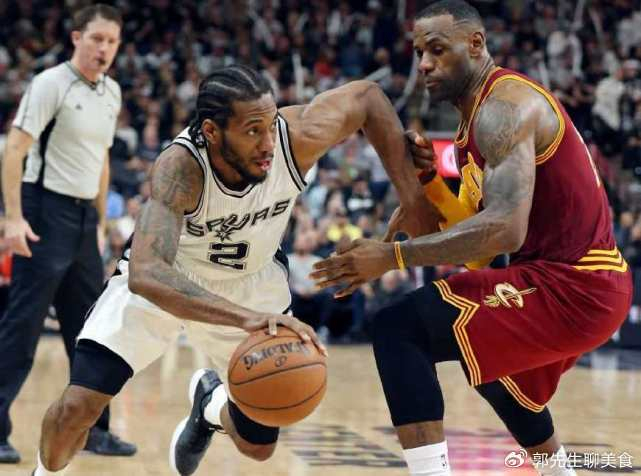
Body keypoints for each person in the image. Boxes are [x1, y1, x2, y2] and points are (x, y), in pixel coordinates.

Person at [33, 64, 433, 476]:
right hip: (170, 279)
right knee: (77, 407)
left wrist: (413, 200)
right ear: (211, 131)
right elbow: (147, 274)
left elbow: (367, 97)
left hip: (251, 281)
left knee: (258, 445)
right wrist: (245, 319)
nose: (268, 143)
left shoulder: (296, 139)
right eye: (252, 131)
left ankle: (211, 406)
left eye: (271, 125)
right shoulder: (181, 167)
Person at [311, 2, 633, 476]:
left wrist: (392, 256)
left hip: (578, 284)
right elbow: (480, 255)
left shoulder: (504, 108)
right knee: (493, 370)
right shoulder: (472, 127)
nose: (424, 64)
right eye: (419, 53)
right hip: (570, 282)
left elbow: (505, 229)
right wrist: (431, 183)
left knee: (400, 327)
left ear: (475, 44)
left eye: (437, 50)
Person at [0, 4, 136, 464]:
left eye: (112, 41)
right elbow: (14, 150)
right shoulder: (50, 84)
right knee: (22, 327)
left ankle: (95, 430)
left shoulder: (112, 91)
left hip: (82, 221)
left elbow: (101, 161)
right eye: (97, 38)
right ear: (76, 38)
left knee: (92, 331)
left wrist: (98, 225)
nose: (104, 49)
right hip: (44, 210)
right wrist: (13, 218)